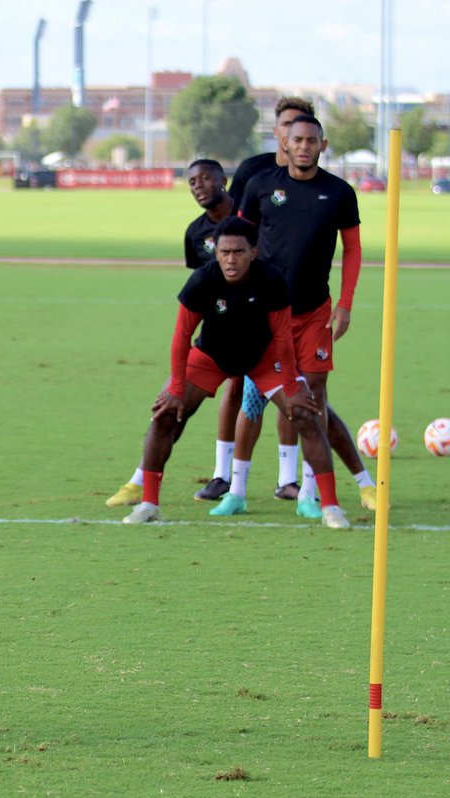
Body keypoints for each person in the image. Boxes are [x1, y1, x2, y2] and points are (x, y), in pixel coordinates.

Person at [122, 217, 349, 529]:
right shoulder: (202, 281)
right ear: (216, 252)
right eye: (225, 251)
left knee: (306, 414)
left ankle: (331, 508)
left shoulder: (271, 280)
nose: (231, 259)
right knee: (164, 414)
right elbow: (180, 338)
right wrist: (176, 386)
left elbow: (282, 338)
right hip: (211, 356)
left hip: (263, 357)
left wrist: (291, 385)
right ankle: (149, 504)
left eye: (239, 252)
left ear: (254, 252)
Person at [210, 114, 374, 519]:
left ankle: (308, 494)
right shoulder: (263, 186)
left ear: (323, 144)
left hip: (315, 312)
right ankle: (238, 490)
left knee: (312, 399)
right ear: (286, 143)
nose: (303, 146)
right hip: (264, 313)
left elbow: (352, 251)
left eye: (311, 140)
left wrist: (345, 304)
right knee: (254, 400)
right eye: (297, 139)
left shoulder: (339, 193)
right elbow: (238, 240)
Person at [106, 159, 238, 507]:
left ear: (223, 180)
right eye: (192, 181)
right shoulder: (195, 234)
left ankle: (304, 487)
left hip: (260, 335)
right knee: (171, 407)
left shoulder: (248, 217)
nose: (198, 186)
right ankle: (141, 484)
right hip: (217, 338)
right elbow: (201, 288)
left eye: (206, 178)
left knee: (303, 407)